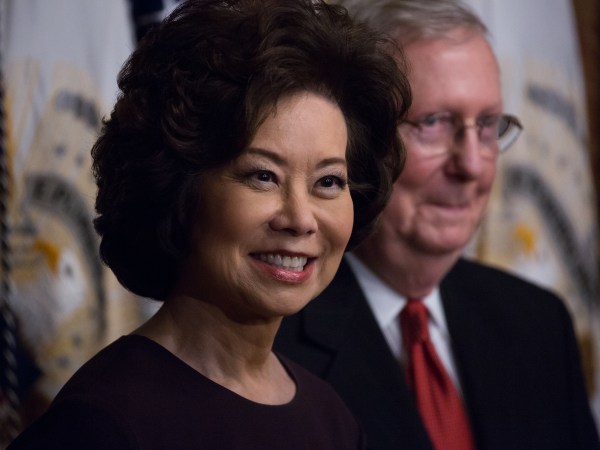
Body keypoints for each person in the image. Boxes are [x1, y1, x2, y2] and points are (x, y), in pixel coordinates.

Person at [7, 0, 411, 448]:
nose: (300, 218)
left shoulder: (330, 417)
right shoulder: (99, 425)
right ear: (180, 189)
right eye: (263, 176)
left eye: (329, 181)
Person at [275, 1, 600, 449]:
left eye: (487, 125)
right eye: (434, 123)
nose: (472, 165)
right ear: (356, 141)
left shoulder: (538, 324)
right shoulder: (270, 343)